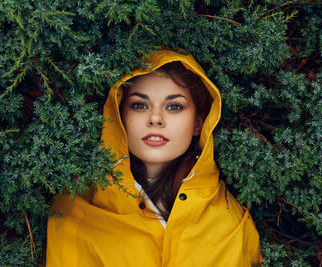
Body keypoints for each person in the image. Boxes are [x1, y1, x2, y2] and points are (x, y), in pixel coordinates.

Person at [46, 49, 262, 266]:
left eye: (174, 106)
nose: (156, 118)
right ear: (119, 116)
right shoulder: (75, 209)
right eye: (140, 105)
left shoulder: (230, 221)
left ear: (198, 122)